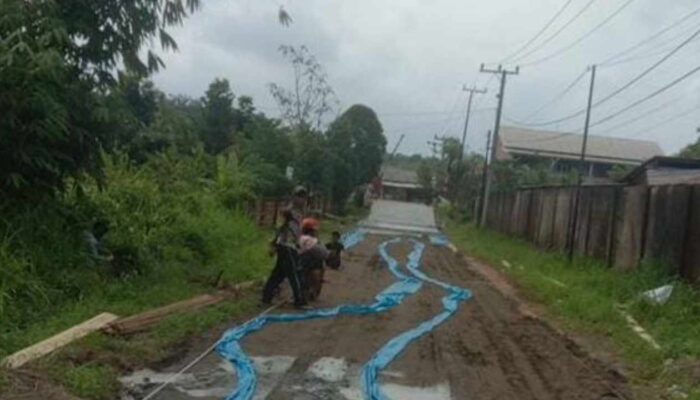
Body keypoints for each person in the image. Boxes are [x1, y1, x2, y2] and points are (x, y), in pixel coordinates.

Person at [261, 186, 309, 309]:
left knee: (278, 274)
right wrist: (273, 244)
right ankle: (299, 301)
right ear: (294, 197)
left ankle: (266, 297)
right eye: (299, 197)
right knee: (294, 274)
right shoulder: (288, 211)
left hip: (290, 245)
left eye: (304, 197)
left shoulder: (300, 212)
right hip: (286, 246)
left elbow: (296, 229)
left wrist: (298, 242)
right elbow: (279, 228)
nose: (302, 200)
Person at [298, 218, 329, 301]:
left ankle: (307, 291)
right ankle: (312, 291)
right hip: (312, 263)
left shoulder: (301, 238)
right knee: (318, 271)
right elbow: (324, 253)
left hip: (302, 262)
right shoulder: (312, 240)